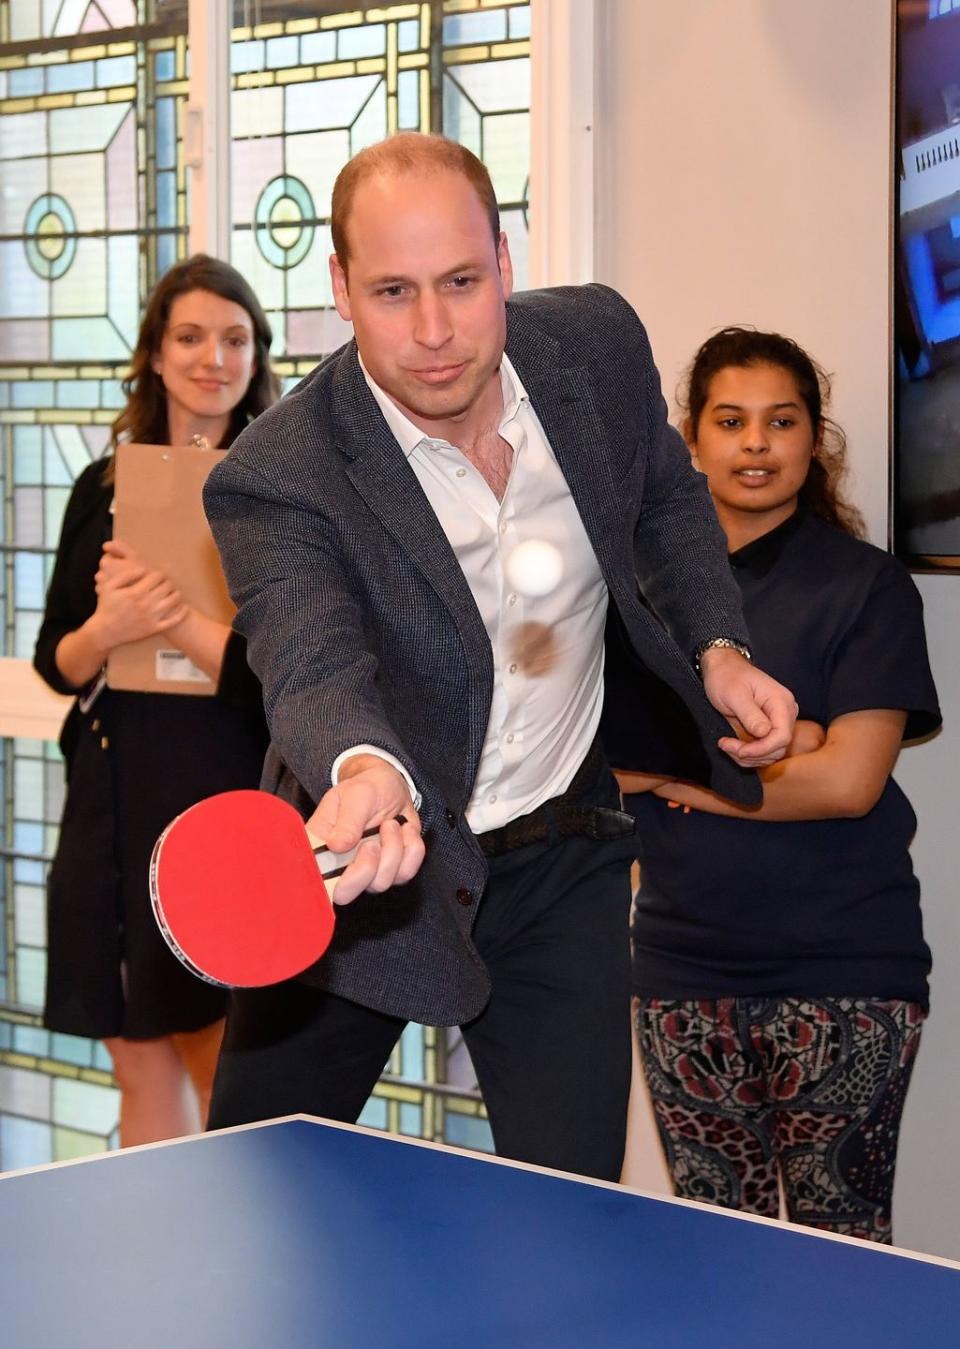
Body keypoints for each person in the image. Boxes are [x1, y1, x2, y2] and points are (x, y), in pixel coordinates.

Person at [202, 133, 797, 1182]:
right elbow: (308, 653)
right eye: (392, 290)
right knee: (255, 1195)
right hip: (363, 874)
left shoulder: (597, 349)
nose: (434, 332)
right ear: (339, 287)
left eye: (462, 283)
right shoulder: (279, 473)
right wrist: (366, 767)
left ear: (506, 265)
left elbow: (664, 491)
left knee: (575, 1211)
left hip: (562, 854)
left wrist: (716, 645)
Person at [619, 328, 940, 1241]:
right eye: (730, 420)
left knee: (842, 1254)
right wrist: (770, 747)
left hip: (846, 976)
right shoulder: (644, 599)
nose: (755, 443)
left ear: (813, 439)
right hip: (681, 971)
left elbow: (847, 781)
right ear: (691, 440)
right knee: (716, 1252)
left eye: (781, 421)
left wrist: (685, 774)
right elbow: (607, 763)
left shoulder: (867, 586)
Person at [34, 255, 279, 1146]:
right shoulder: (99, 491)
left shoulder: (283, 497)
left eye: (235, 338)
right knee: (135, 1054)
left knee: (222, 1059)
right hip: (110, 794)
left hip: (221, 797)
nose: (212, 356)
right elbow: (55, 661)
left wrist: (174, 619)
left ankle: (243, 1266)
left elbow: (279, 678)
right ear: (155, 352)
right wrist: (113, 622)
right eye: (190, 336)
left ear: (258, 357)